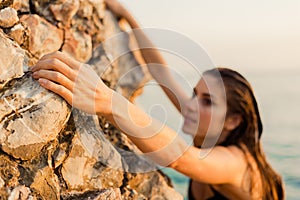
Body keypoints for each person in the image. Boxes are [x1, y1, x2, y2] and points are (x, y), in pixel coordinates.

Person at [31, 0, 284, 199]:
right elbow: (160, 70)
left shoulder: (238, 163)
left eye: (207, 101)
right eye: (195, 94)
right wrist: (126, 15)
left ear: (233, 121)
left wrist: (107, 100)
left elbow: (181, 158)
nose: (191, 105)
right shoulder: (202, 122)